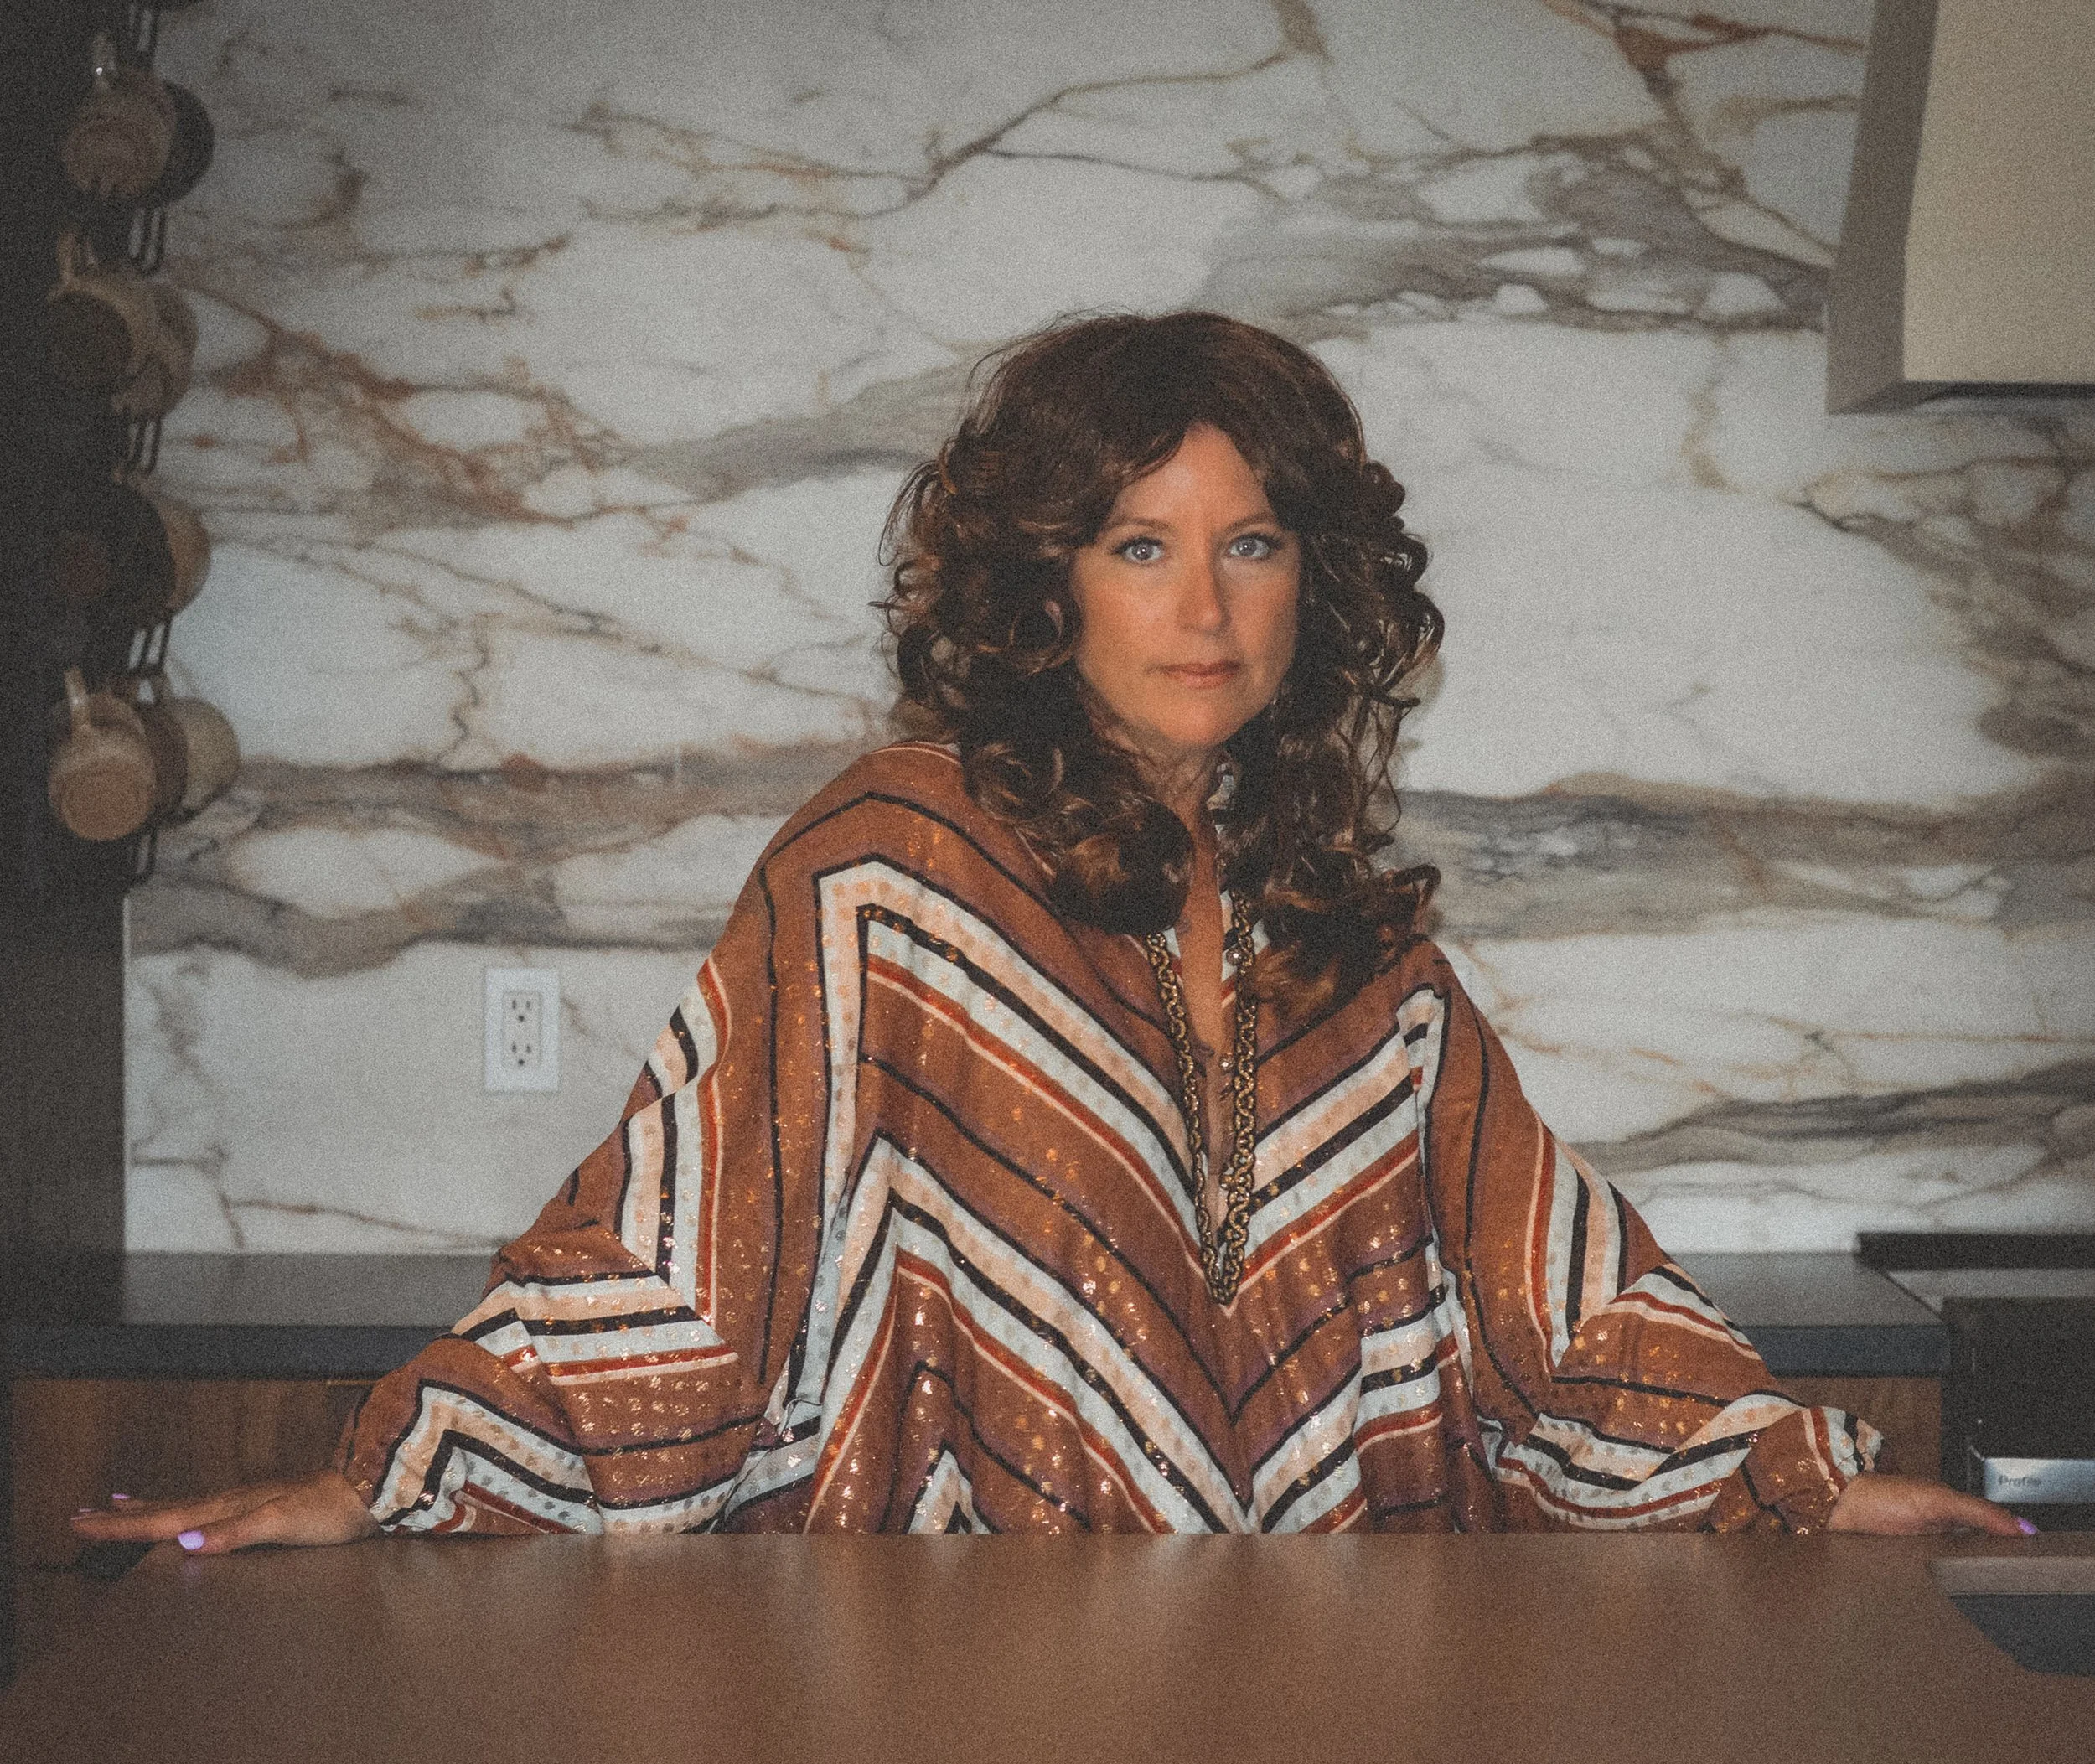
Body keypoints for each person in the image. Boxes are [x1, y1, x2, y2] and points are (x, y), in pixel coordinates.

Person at [77, 312, 2023, 1549]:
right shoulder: (884, 864)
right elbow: (688, 1258)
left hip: (1325, 1672)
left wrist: (1796, 1471)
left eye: (1250, 542)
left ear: (1314, 584)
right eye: (1138, 544)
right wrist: (388, 1470)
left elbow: (1550, 1287)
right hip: (965, 1667)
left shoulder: (1341, 927)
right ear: (1044, 584)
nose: (1203, 607)